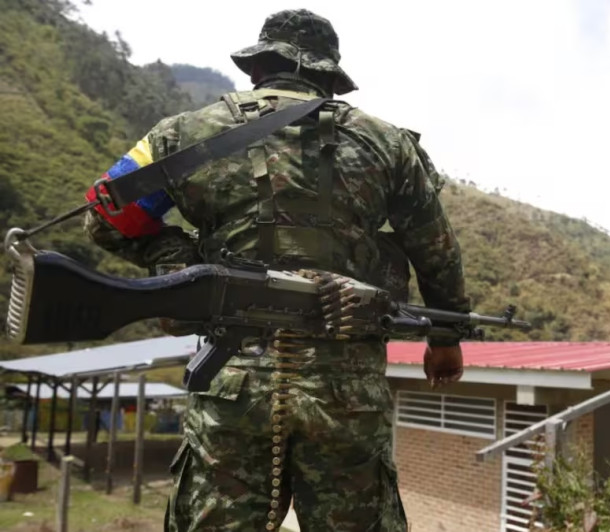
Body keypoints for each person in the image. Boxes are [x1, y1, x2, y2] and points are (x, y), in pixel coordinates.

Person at [82, 9, 469, 531]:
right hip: (346, 391)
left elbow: (105, 216)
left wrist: (180, 264)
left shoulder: (183, 134)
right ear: (331, 77)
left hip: (230, 381)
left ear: (257, 68)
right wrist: (445, 336)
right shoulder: (389, 144)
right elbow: (436, 249)